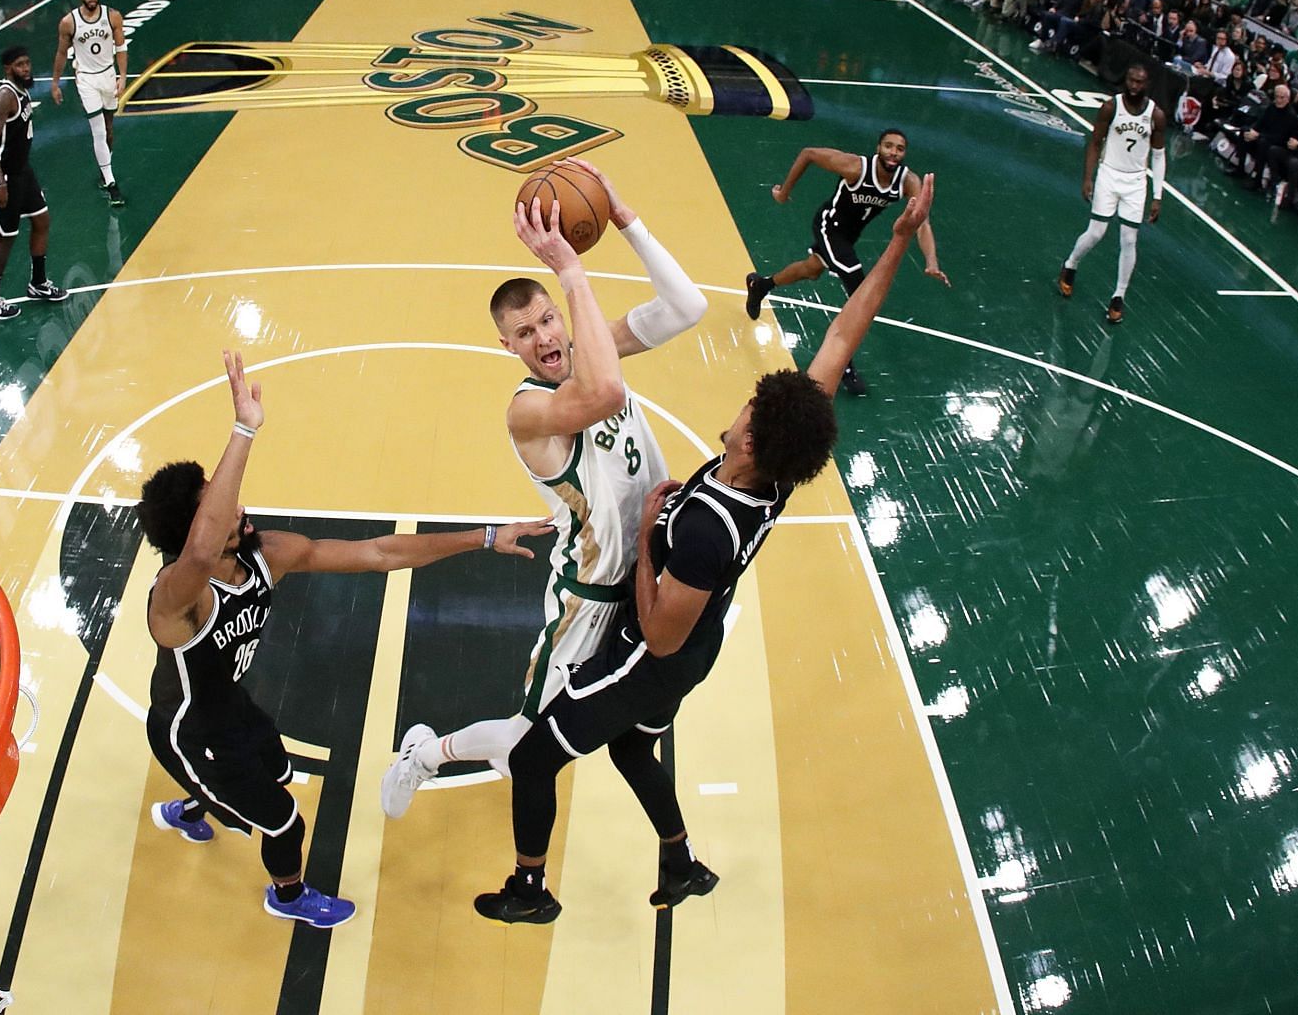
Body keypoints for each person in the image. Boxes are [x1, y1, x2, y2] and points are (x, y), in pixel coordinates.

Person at [476, 175, 938, 925]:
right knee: (630, 750)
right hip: (700, 631)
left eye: (750, 407)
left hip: (649, 637)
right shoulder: (772, 471)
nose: (744, 399)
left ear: (751, 438)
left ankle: (530, 888)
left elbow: (657, 631)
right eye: (526, 334)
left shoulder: (702, 523)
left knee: (534, 756)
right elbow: (843, 333)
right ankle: (680, 859)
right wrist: (892, 243)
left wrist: (653, 538)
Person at [139, 352, 550, 926]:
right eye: (215, 501)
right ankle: (287, 896)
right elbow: (204, 550)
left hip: (231, 707)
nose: (233, 501)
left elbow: (378, 553)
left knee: (277, 772)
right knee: (285, 819)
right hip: (192, 731)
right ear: (194, 528)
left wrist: (484, 537)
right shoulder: (178, 597)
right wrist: (242, 430)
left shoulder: (266, 554)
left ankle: (192, 805)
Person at [381, 163, 709, 816]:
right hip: (588, 600)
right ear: (508, 346)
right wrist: (571, 269)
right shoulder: (525, 409)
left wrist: (622, 216)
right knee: (528, 742)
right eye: (526, 333)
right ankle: (425, 752)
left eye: (548, 321)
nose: (545, 338)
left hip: (652, 575)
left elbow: (687, 307)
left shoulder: (590, 347)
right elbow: (604, 394)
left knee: (608, 729)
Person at [743, 129, 949, 392]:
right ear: (878, 148)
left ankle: (762, 285)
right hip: (829, 225)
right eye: (888, 146)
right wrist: (784, 192)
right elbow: (808, 153)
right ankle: (843, 363)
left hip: (849, 237)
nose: (893, 153)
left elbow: (922, 223)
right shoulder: (855, 167)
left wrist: (931, 261)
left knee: (812, 269)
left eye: (899, 148)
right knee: (858, 286)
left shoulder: (908, 181)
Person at [1057, 63, 1167, 325]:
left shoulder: (1156, 115)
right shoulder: (1110, 107)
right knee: (1096, 232)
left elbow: (1159, 156)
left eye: (1139, 82)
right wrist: (1088, 177)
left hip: (1136, 182)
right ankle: (1071, 263)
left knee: (1129, 239)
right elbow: (1095, 143)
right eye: (1130, 80)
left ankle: (1118, 296)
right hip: (1108, 174)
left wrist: (1158, 194)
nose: (1133, 85)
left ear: (1146, 85)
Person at [0, 46, 67, 320]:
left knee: (42, 220)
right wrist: (0, 184)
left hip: (22, 172)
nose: (26, 68)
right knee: (5, 238)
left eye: (28, 63)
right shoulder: (5, 97)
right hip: (4, 176)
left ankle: (38, 283)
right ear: (8, 68)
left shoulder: (22, 89)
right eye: (20, 65)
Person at [49, 0, 128, 208]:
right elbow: (62, 53)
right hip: (85, 79)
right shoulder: (68, 22)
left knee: (109, 129)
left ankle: (105, 169)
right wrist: (55, 84)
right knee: (99, 131)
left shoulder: (112, 15)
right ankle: (112, 183)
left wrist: (122, 77)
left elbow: (121, 48)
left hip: (107, 75)